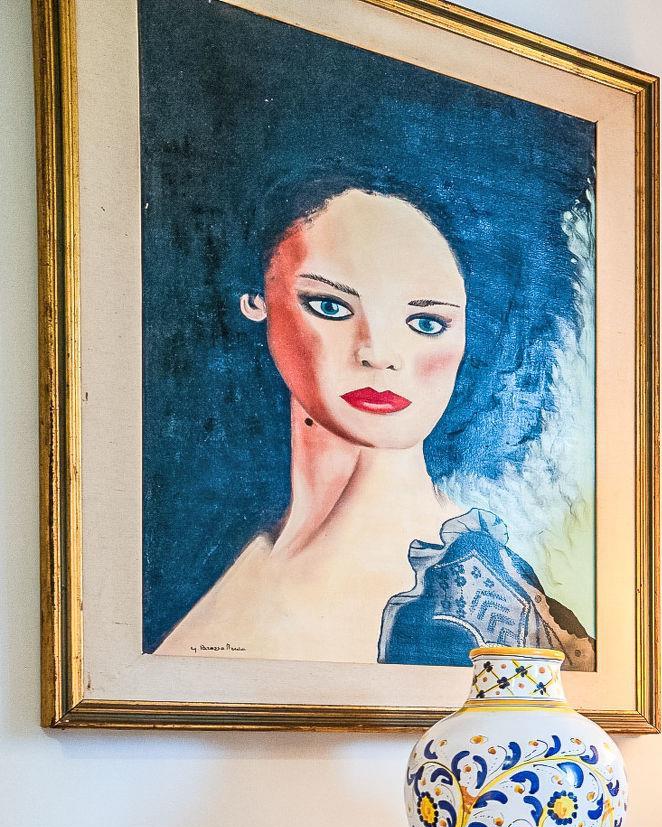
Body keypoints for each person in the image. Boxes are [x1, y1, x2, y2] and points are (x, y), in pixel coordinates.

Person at [159, 183, 591, 667]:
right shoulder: (197, 544)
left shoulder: (478, 603)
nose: (379, 353)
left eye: (427, 323)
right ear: (256, 300)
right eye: (331, 307)